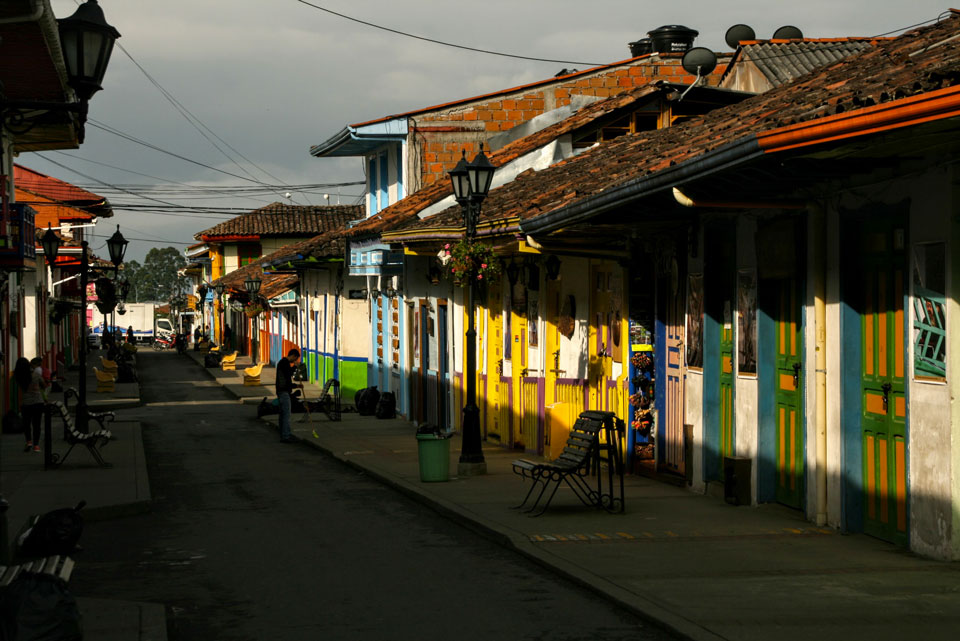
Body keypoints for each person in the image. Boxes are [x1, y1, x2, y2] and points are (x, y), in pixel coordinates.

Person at [15, 357, 47, 453]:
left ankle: (29, 441)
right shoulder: (36, 374)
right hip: (38, 402)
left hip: (26, 403)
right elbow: (43, 385)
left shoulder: (18, 376)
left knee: (27, 424)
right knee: (36, 424)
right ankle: (36, 446)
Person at [276, 348, 302, 443]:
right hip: (284, 391)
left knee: (282, 414)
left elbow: (288, 375)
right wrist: (295, 367)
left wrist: (296, 385)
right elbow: (288, 378)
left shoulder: (282, 363)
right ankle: (286, 436)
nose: (294, 361)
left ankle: (283, 434)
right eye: (295, 359)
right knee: (286, 414)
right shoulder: (284, 363)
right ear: (293, 356)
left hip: (281, 390)